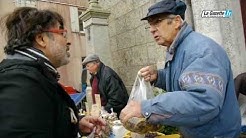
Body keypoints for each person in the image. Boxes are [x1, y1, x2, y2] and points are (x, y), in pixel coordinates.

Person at [119, 0, 241, 137]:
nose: (152, 29)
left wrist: (146, 108)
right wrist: (159, 76)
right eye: (150, 25)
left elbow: (203, 101)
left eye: (157, 22)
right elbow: (184, 81)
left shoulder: (201, 50)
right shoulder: (178, 48)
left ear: (177, 21)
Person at [0, 7, 105, 138]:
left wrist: (74, 124)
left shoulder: (35, 76)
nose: (68, 41)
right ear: (41, 39)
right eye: (62, 33)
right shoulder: (21, 83)